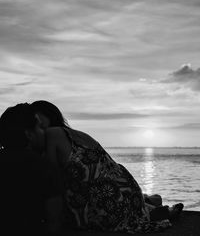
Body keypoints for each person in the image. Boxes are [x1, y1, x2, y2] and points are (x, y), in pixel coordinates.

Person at [31, 100, 184, 234]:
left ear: (48, 115)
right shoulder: (76, 134)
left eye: (37, 118)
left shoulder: (53, 134)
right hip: (127, 193)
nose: (35, 123)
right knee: (140, 205)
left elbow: (51, 179)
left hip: (110, 205)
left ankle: (155, 207)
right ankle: (156, 208)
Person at [0, 103, 64, 236]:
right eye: (40, 127)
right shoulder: (44, 167)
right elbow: (54, 220)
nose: (45, 132)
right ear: (28, 134)